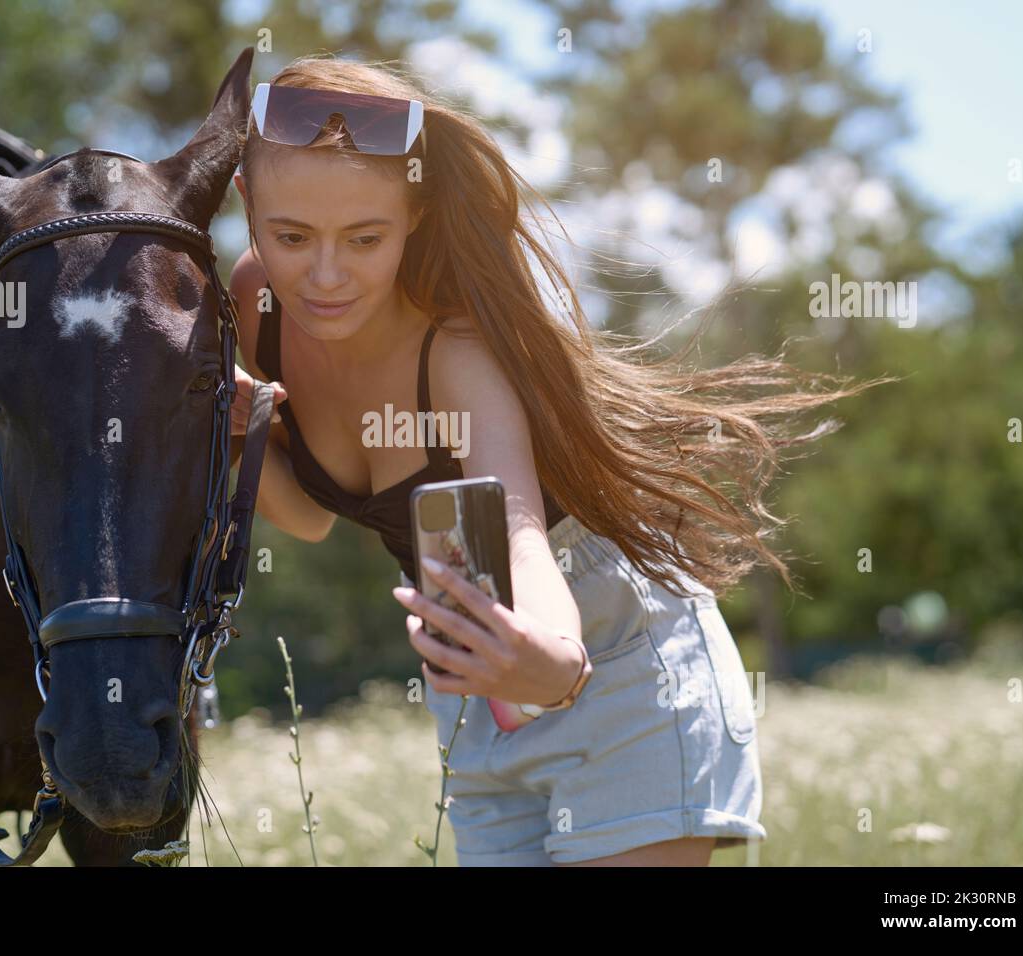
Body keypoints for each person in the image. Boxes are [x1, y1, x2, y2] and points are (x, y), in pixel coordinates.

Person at [223, 56, 882, 866]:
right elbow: (312, 514)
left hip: (615, 657)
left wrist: (557, 665)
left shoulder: (457, 348)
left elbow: (517, 527)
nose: (324, 275)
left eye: (365, 238)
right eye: (292, 237)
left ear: (416, 212)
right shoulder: (255, 304)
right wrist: (229, 438)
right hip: (477, 681)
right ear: (248, 204)